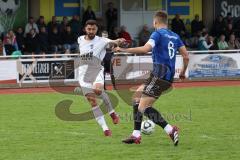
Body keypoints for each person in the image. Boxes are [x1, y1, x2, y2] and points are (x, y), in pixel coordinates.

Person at [114, 11, 189, 145]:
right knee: (137, 98)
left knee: (142, 107)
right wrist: (182, 72)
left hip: (159, 75)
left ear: (155, 22)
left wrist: (123, 50)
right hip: (167, 78)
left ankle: (170, 130)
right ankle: (137, 134)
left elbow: (145, 49)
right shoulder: (175, 36)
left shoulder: (157, 34)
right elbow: (186, 56)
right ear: (166, 22)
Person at [77, 20, 124, 136]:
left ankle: (112, 113)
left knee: (97, 90)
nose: (91, 31)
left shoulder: (102, 40)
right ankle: (105, 128)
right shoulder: (80, 39)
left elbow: (113, 42)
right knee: (92, 102)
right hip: (83, 74)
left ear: (96, 30)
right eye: (89, 29)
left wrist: (119, 41)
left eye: (93, 29)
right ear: (85, 29)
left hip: (97, 70)